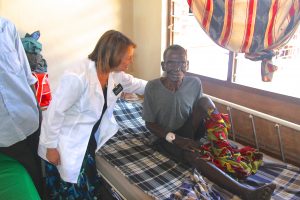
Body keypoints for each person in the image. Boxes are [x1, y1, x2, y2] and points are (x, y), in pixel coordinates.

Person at [142, 44, 276, 200]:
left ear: (187, 65)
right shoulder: (152, 87)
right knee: (192, 155)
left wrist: (213, 131)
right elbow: (149, 124)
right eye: (171, 63)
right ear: (163, 65)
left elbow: (200, 112)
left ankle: (221, 145)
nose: (177, 68)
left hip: (189, 129)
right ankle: (246, 192)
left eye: (182, 63)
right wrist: (176, 139)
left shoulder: (194, 83)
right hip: (166, 137)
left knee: (205, 100)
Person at [38, 30, 147, 199]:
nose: (131, 61)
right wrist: (51, 147)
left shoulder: (114, 74)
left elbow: (136, 84)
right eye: (128, 56)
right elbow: (55, 112)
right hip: (65, 143)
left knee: (87, 185)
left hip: (88, 140)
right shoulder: (78, 76)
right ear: (114, 55)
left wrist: (161, 84)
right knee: (69, 189)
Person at [0, 17, 43, 197]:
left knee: (41, 170)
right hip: (5, 135)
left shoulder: (6, 27)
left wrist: (38, 110)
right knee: (26, 177)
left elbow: (26, 73)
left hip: (29, 118)